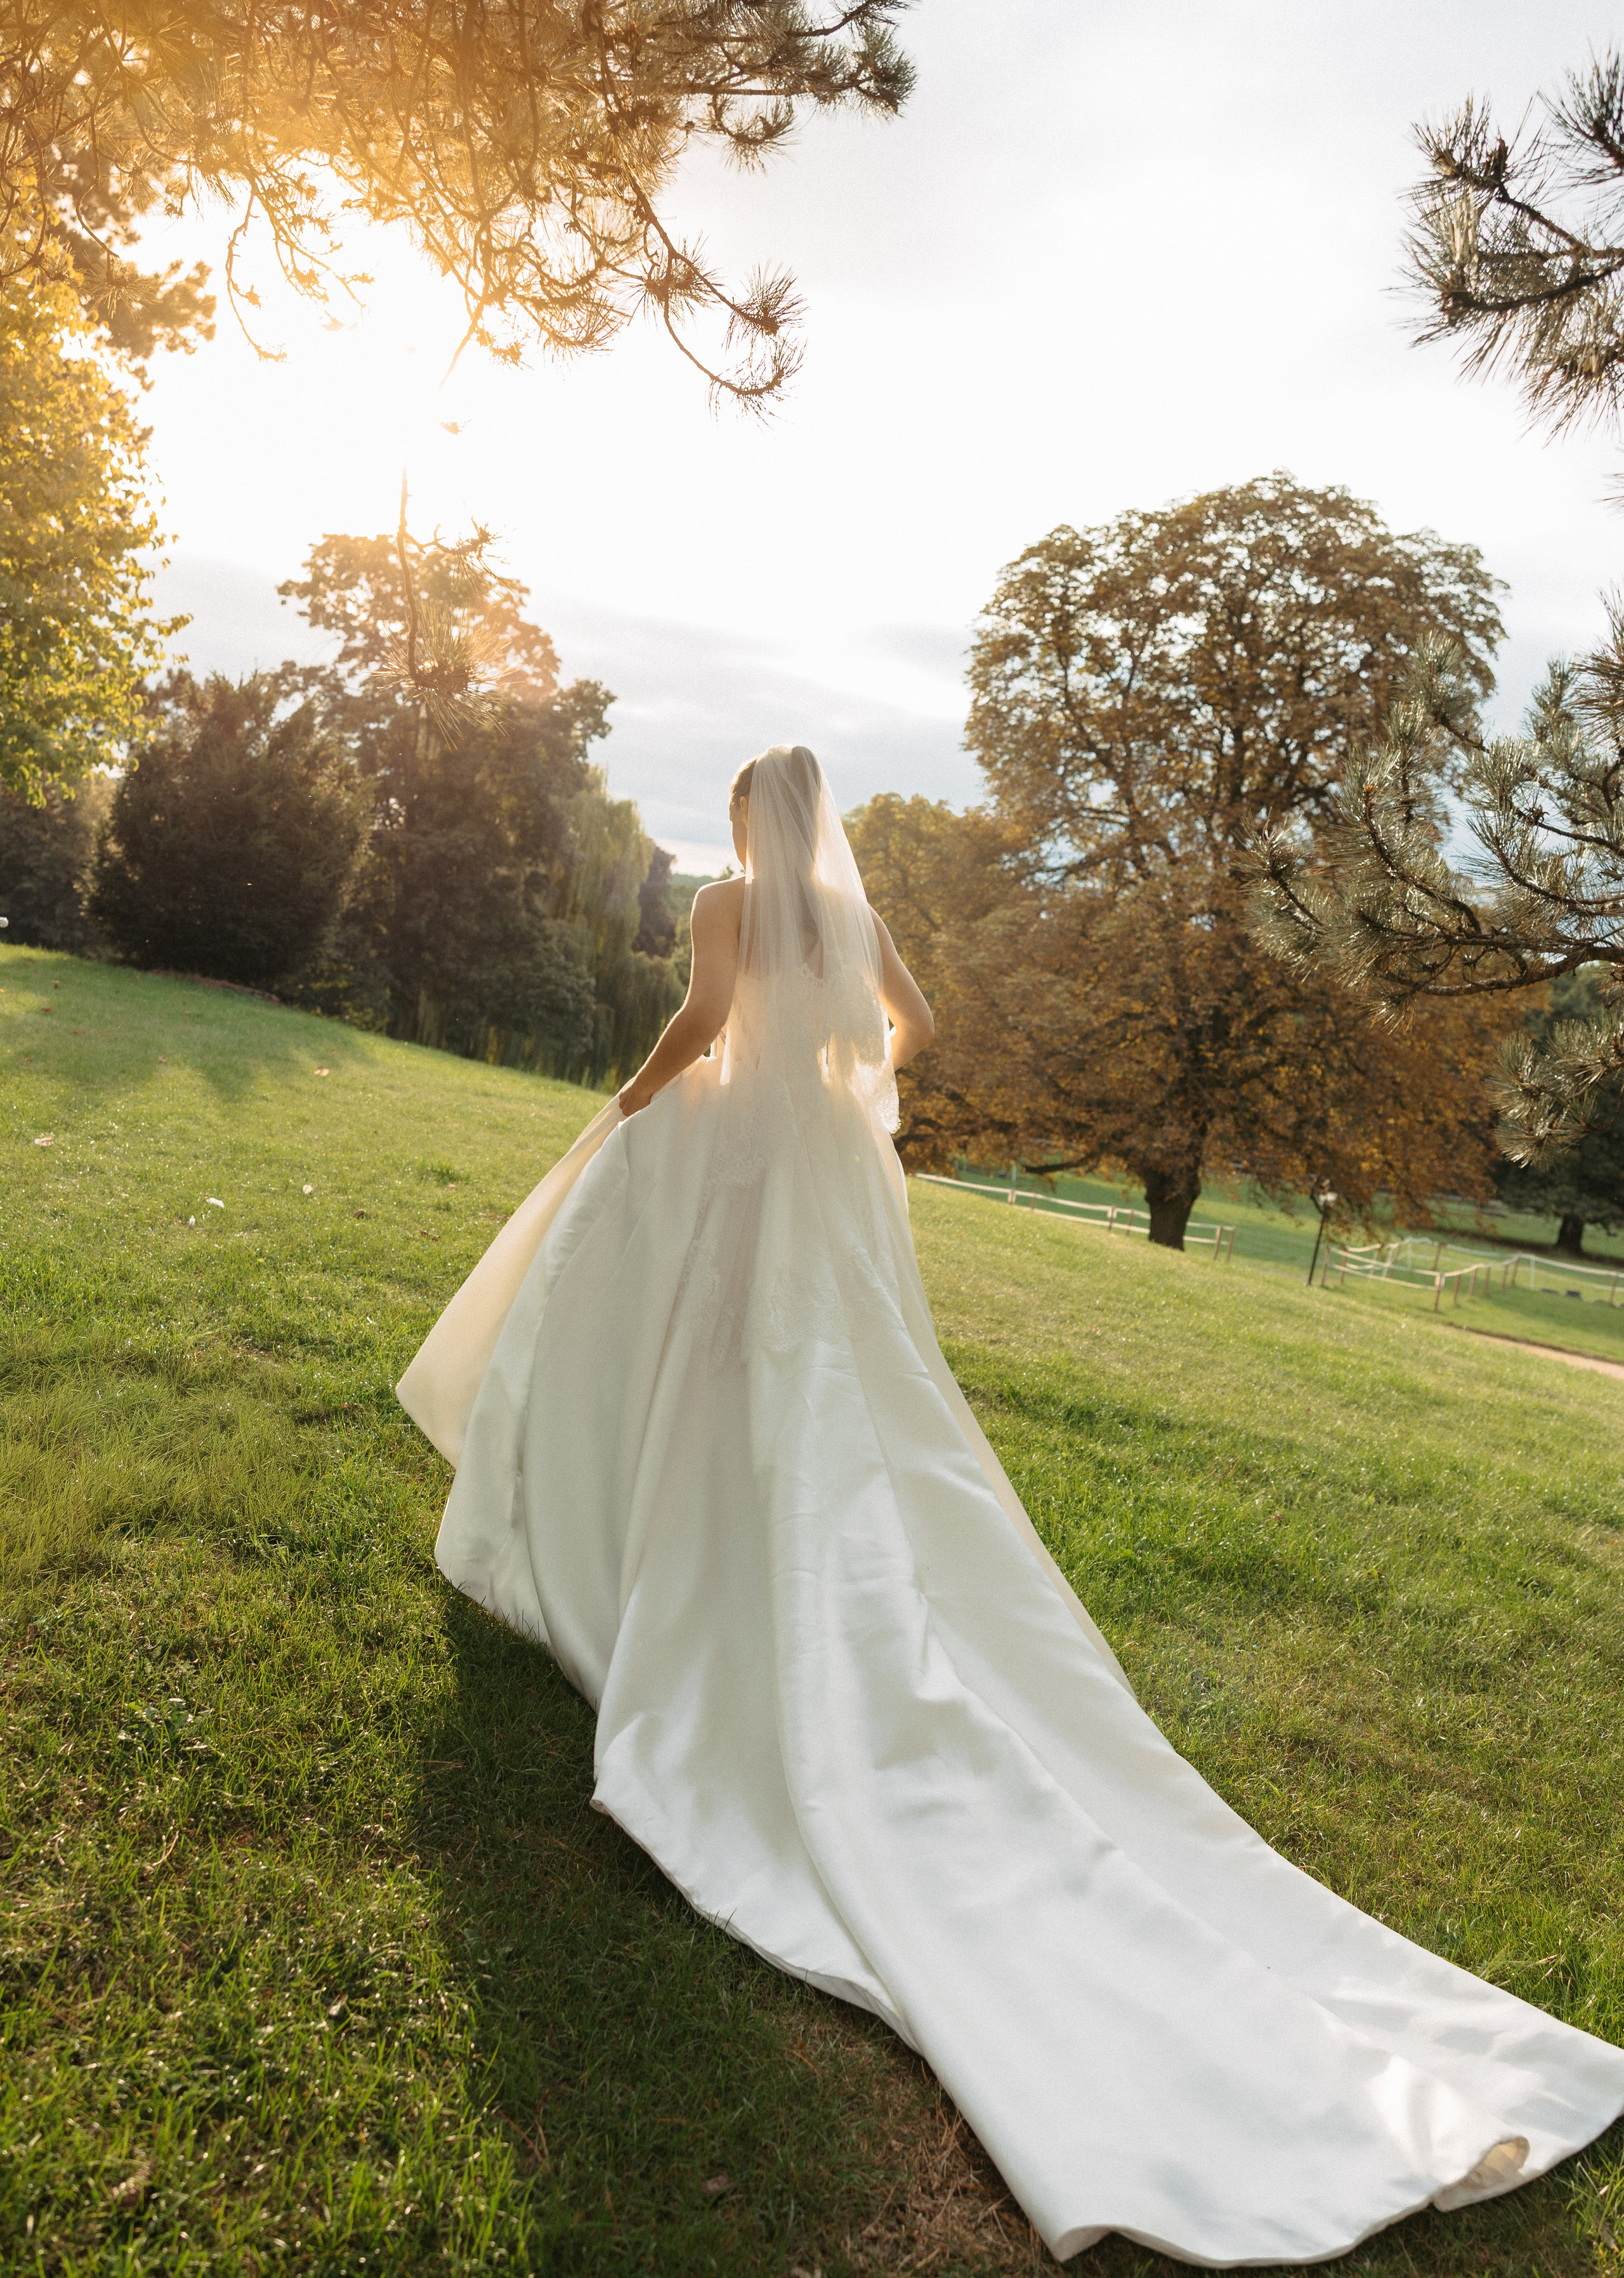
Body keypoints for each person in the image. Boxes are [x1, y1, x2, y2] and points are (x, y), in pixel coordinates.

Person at [398, 744, 1624, 2268]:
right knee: (840, 1392)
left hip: (744, 1167)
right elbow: (914, 1025)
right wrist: (847, 1082)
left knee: (713, 1367)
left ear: (744, 824)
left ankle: (667, 1554)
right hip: (834, 1179)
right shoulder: (855, 925)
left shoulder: (730, 905)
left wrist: (641, 1101)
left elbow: (704, 1022)